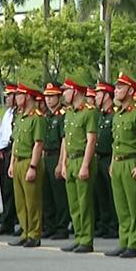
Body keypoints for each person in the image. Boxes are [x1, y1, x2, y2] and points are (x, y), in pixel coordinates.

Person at [106, 74, 136, 258]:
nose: (116, 91)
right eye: (116, 87)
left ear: (131, 91)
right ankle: (123, 241)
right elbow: (115, 142)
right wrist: (111, 163)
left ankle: (134, 243)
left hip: (131, 161)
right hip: (118, 162)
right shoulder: (118, 114)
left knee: (134, 206)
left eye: (120, 87)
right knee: (121, 206)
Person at [58, 76, 98, 253]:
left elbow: (91, 140)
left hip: (82, 159)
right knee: (73, 203)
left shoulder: (89, 112)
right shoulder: (69, 113)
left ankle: (86, 239)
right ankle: (78, 235)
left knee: (84, 202)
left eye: (66, 90)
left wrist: (85, 165)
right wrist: (64, 163)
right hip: (71, 159)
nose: (63, 94)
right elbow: (66, 140)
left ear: (75, 91)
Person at [7, 84, 46, 248]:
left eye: (20, 95)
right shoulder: (20, 117)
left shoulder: (37, 117)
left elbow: (38, 144)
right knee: (20, 201)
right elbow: (16, 142)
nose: (16, 98)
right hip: (18, 161)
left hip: (30, 160)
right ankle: (25, 231)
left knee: (32, 201)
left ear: (28, 96)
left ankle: (34, 234)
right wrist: (12, 163)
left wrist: (33, 166)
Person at [41, 83, 70, 240]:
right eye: (47, 96)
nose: (48, 100)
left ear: (59, 97)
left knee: (59, 194)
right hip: (46, 156)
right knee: (47, 194)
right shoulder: (46, 116)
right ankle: (50, 225)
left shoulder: (62, 115)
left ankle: (61, 227)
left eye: (52, 96)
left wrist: (61, 163)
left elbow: (64, 140)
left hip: (57, 155)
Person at [93, 81, 119, 239]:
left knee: (112, 194)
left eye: (98, 94)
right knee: (101, 194)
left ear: (106, 95)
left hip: (110, 157)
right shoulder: (100, 116)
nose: (96, 97)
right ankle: (105, 223)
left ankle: (114, 226)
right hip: (99, 157)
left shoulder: (114, 115)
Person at [0, 84, 18, 235]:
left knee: (12, 189)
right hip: (2, 152)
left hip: (11, 151)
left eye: (10, 95)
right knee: (5, 188)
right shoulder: (8, 113)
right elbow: (2, 133)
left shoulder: (17, 114)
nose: (7, 98)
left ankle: (12, 220)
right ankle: (6, 221)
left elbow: (12, 136)